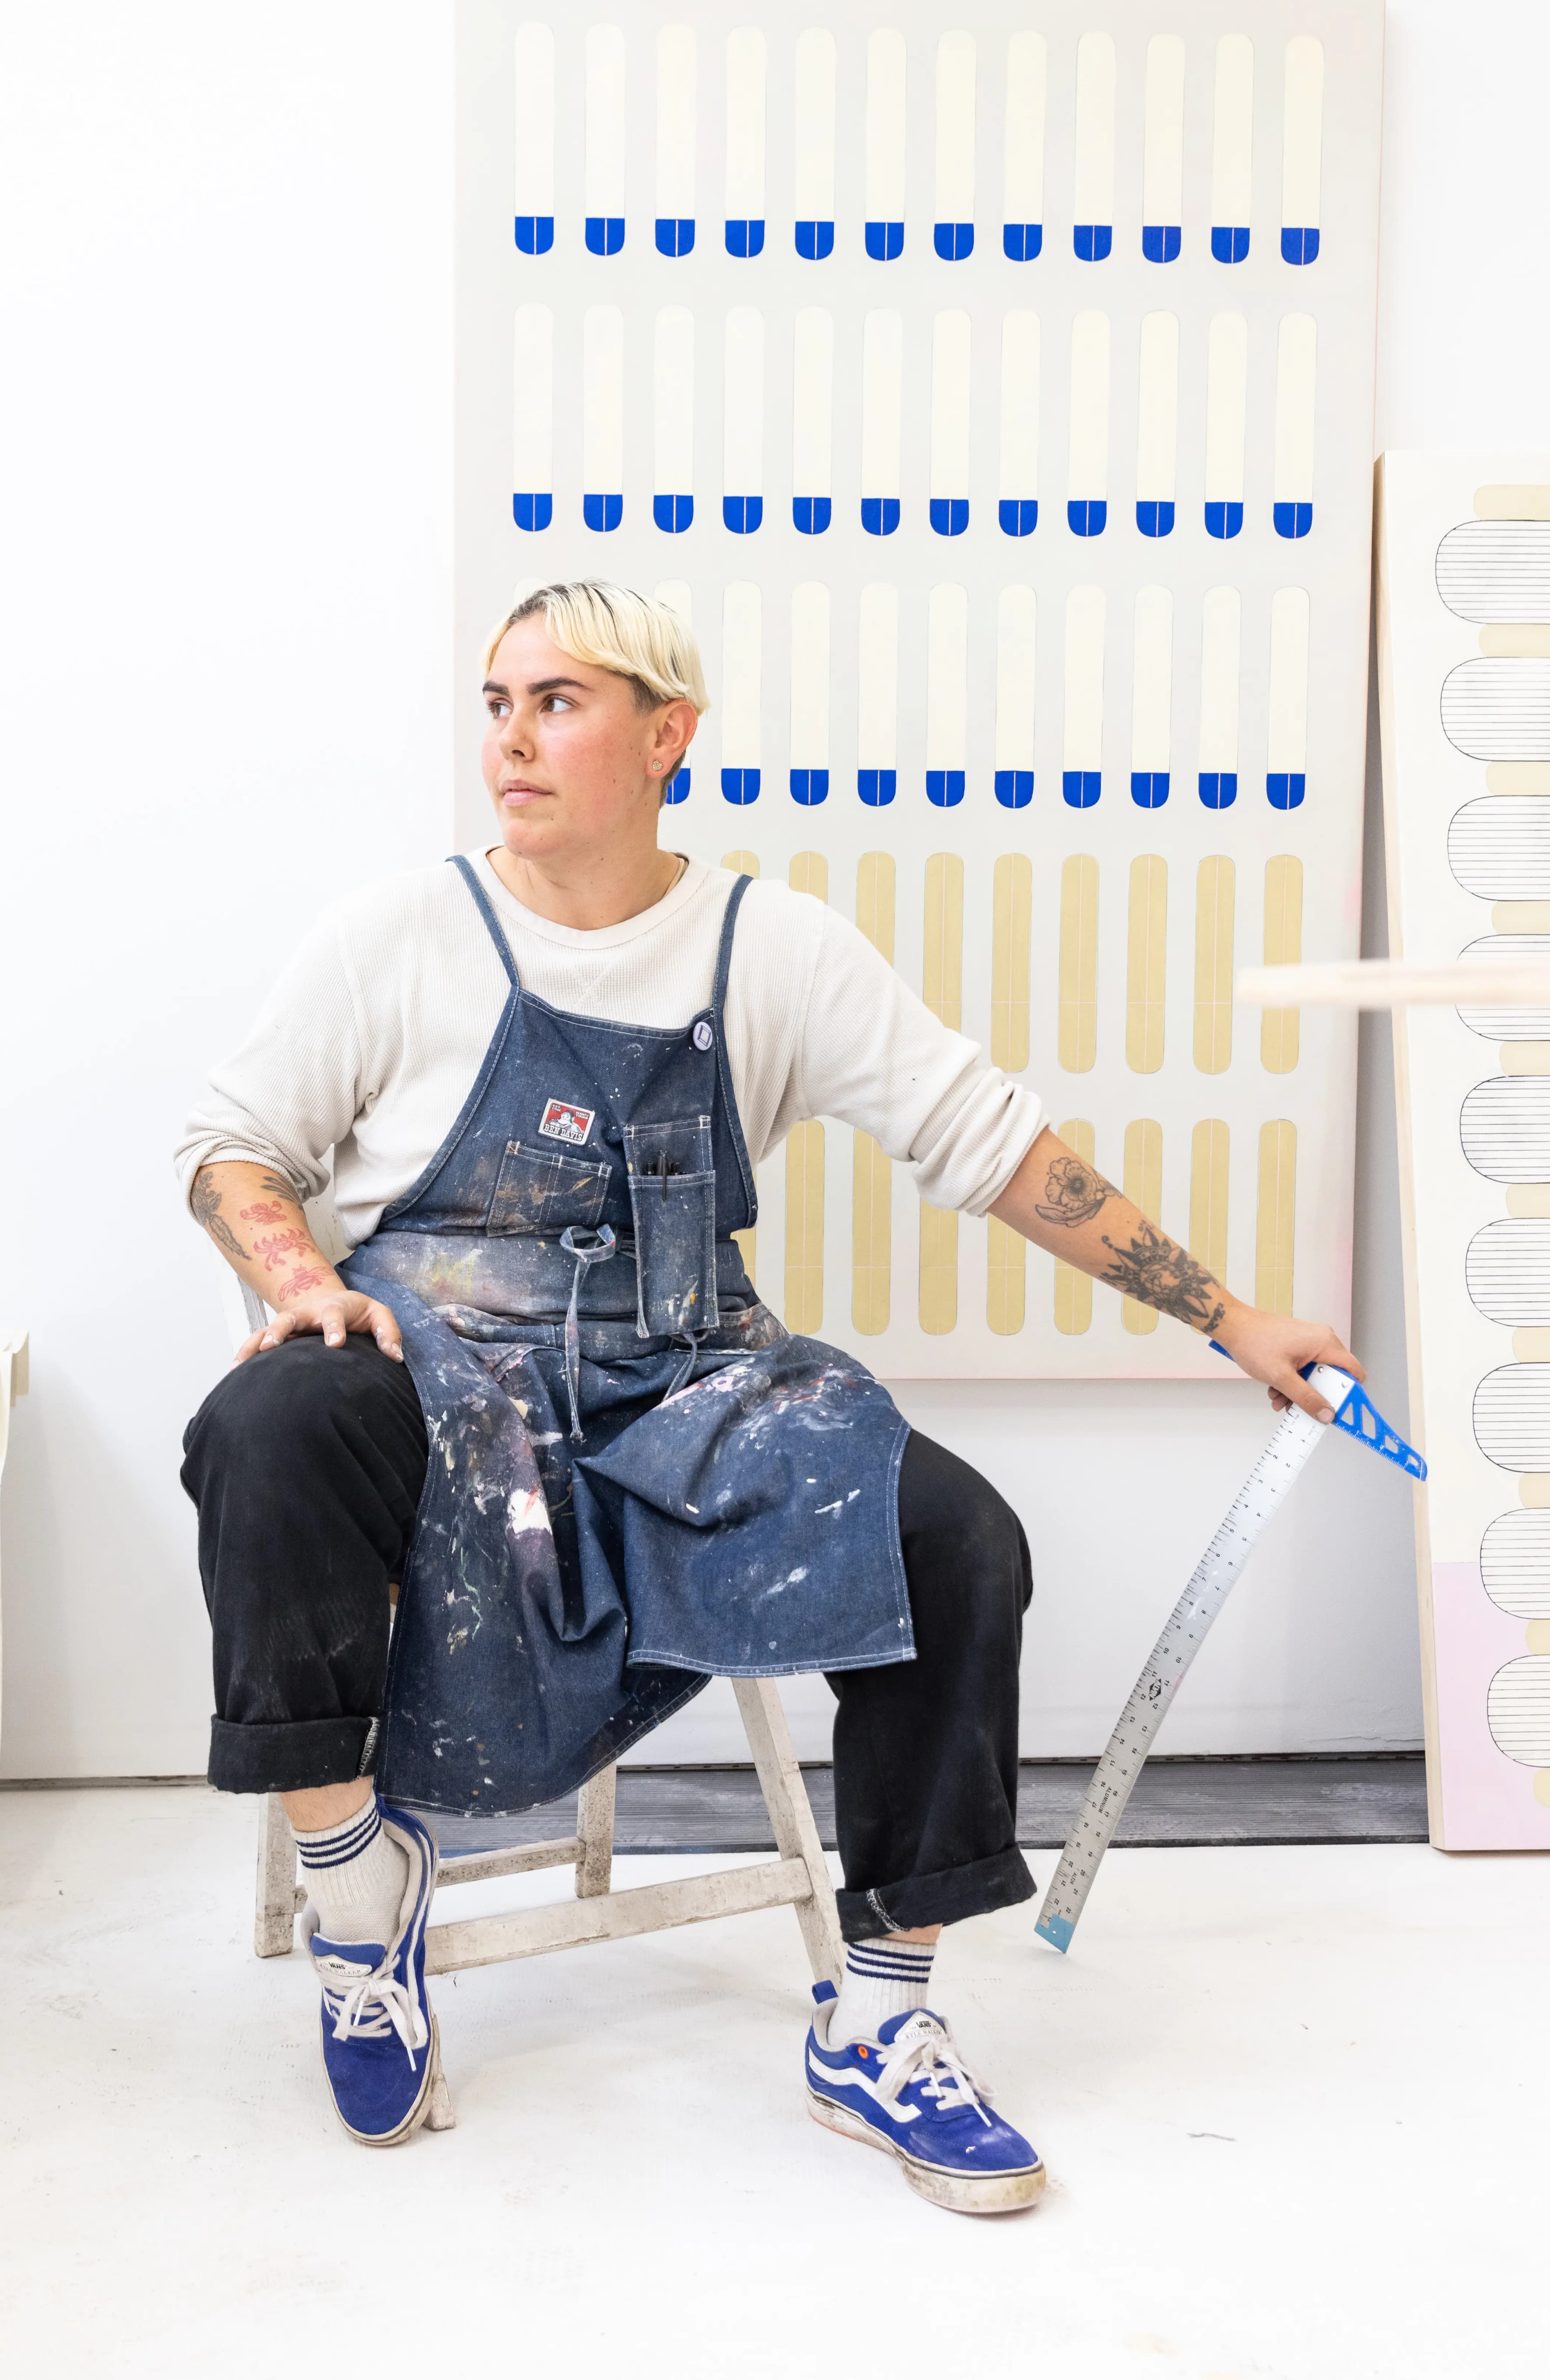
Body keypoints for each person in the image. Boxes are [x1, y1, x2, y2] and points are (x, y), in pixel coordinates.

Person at [176, 579, 1364, 2210]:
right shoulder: (401, 936)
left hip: (686, 1383)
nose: (510, 739)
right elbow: (235, 1144)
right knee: (267, 1425)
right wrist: (299, 1280)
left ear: (668, 735)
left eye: (559, 702)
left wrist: (1228, 1316)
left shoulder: (770, 948)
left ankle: (880, 2019)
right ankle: (356, 1893)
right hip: (441, 1378)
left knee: (955, 1538)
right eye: (497, 702)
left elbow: (996, 1147)